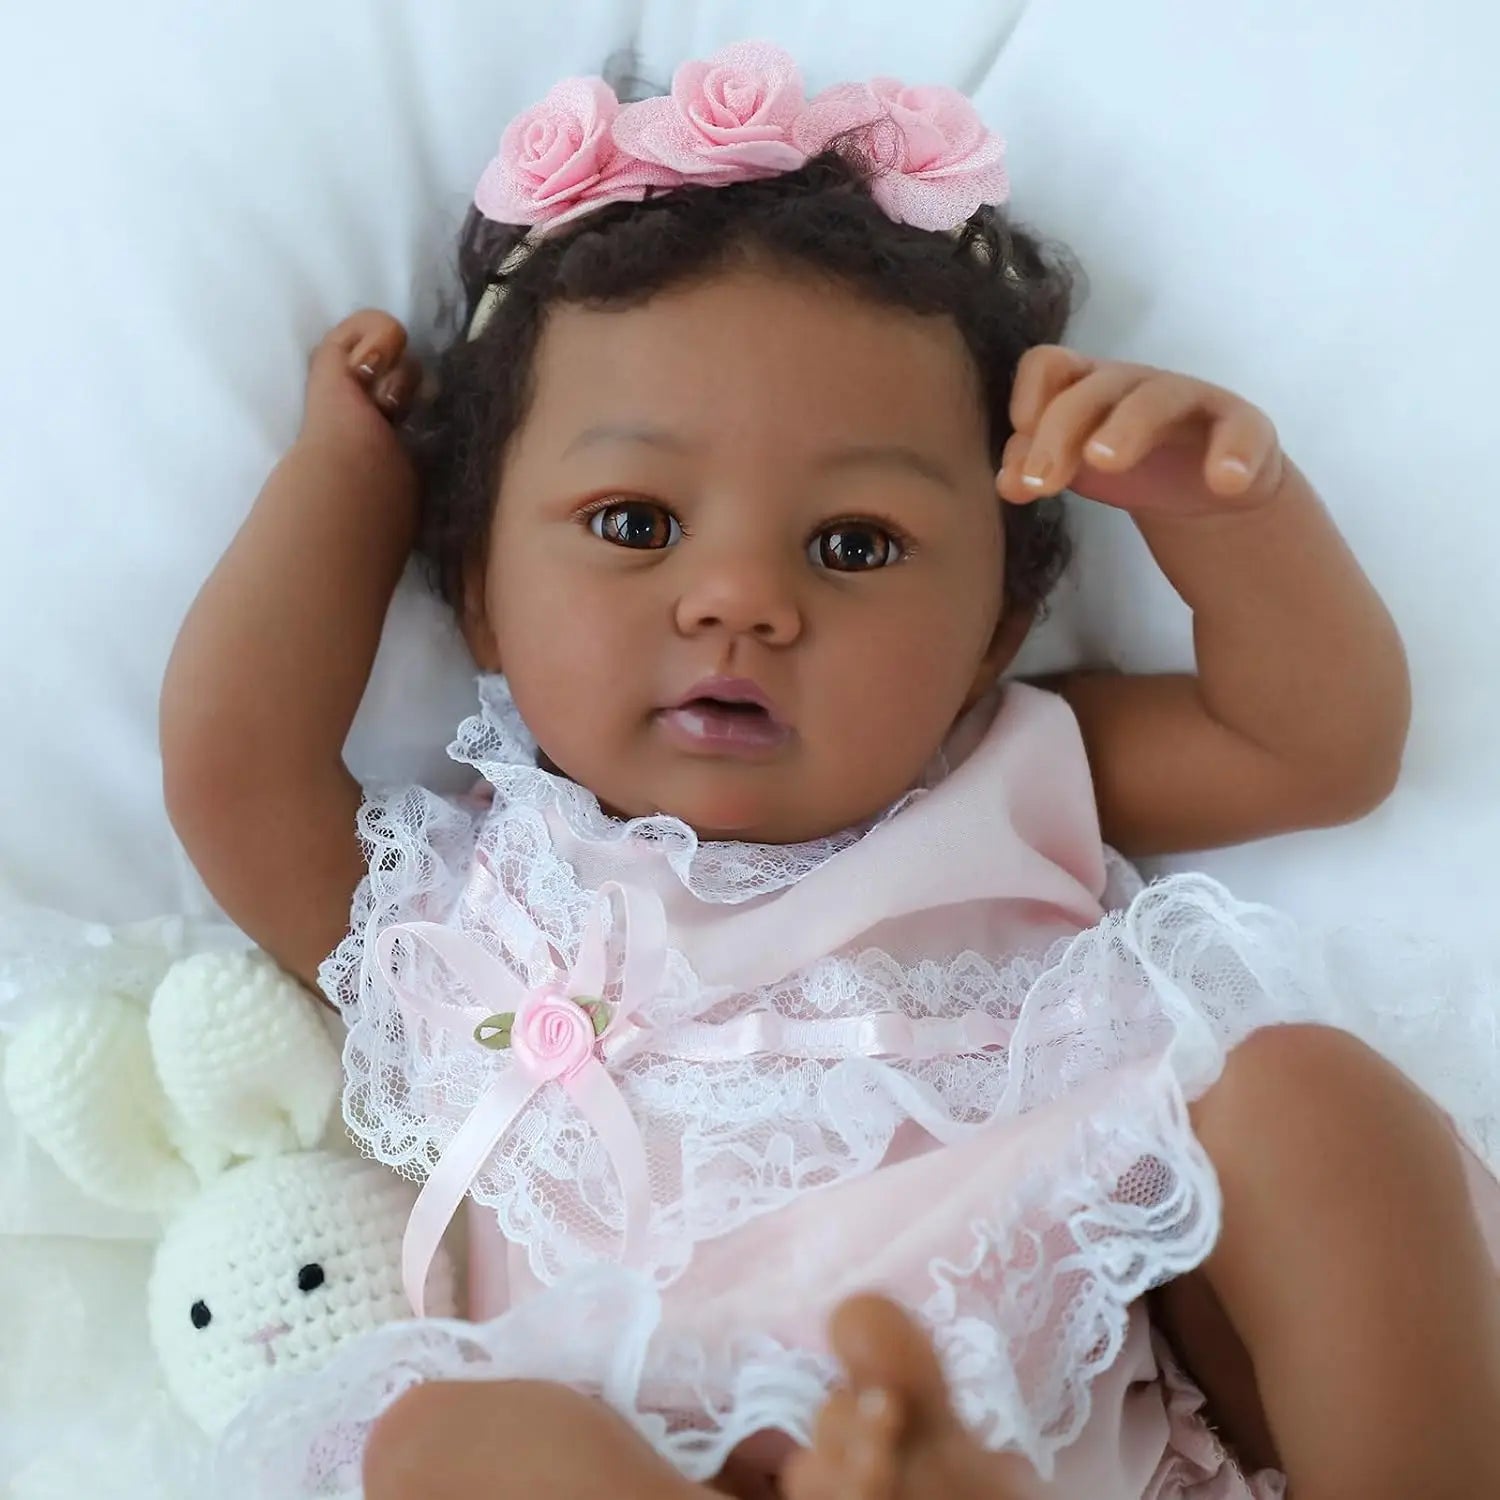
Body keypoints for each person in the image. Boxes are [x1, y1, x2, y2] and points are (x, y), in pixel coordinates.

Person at [161, 41, 1500, 1500]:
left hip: (1040, 1422)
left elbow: (1318, 746)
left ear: (994, 632)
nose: (742, 600)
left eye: (854, 545)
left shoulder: (1004, 770)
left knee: (1312, 1101)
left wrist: (1228, 514)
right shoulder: (465, 903)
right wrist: (351, 482)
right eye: (634, 523)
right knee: (449, 1441)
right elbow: (239, 772)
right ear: (479, 589)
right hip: (657, 1452)